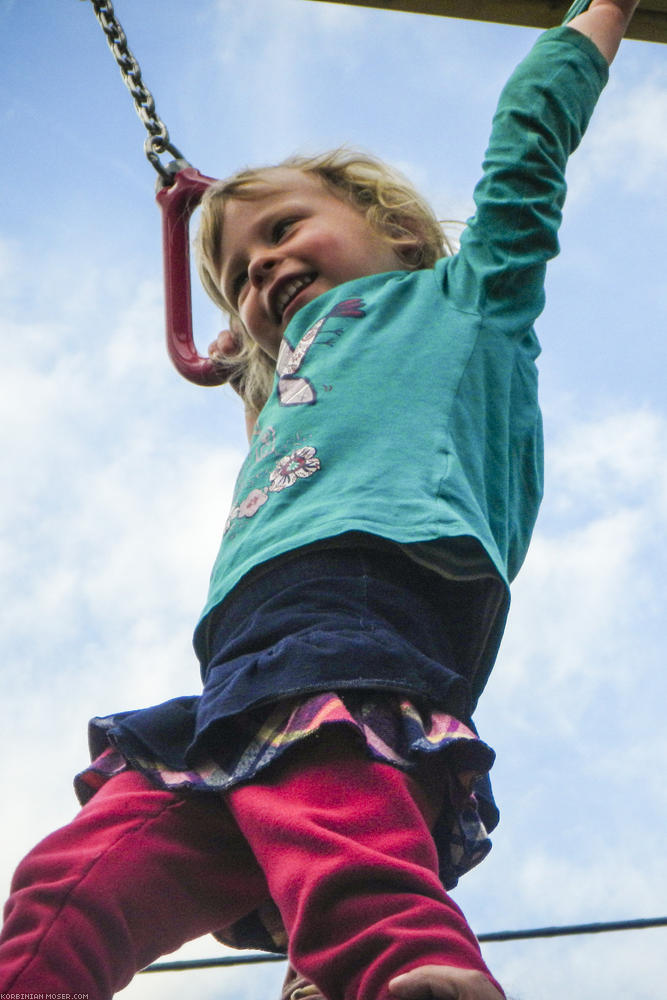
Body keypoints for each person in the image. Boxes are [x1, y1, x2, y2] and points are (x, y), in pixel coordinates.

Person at [0, 2, 639, 998]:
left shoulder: (465, 295)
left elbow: (527, 145)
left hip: (377, 586)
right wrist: (248, 358)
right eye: (239, 275)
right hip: (243, 656)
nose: (260, 268)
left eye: (284, 229)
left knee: (328, 782)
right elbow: (295, 412)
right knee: (76, 876)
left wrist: (598, 14)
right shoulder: (286, 378)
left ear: (386, 225)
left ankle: (399, 963)